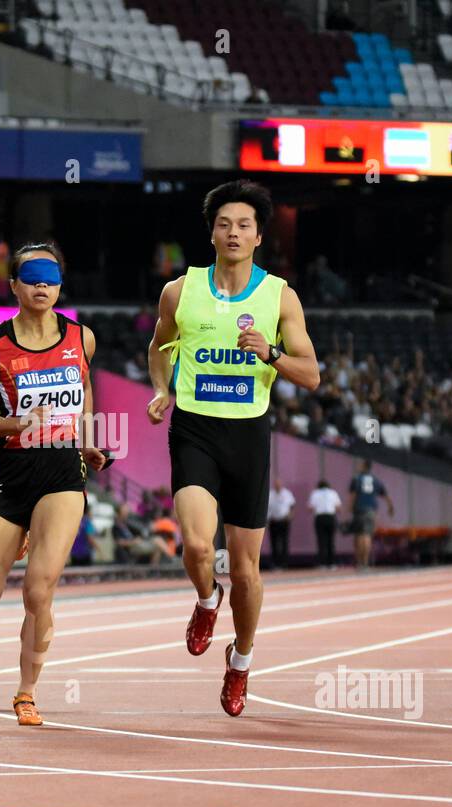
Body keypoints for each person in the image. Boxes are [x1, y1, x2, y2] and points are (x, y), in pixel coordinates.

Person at [146, 179, 320, 717]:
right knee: (198, 547)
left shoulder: (279, 295)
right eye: (224, 224)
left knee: (246, 571)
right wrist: (161, 389)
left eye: (244, 224)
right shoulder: (180, 290)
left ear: (259, 235)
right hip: (195, 428)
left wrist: (270, 352)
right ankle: (204, 600)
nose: (233, 232)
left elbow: (310, 373)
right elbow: (158, 346)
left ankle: (240, 661)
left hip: (248, 435)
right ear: (212, 233)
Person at [0, 241, 107, 727]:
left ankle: (26, 690)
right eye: (32, 276)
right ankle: (18, 533)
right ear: (15, 286)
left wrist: (88, 442)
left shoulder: (81, 338)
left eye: (50, 277)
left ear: (61, 285)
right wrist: (17, 424)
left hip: (62, 469)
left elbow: (83, 397)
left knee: (39, 590)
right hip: (11, 470)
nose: (42, 285)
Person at [348, 459, 394, 570]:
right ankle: (365, 562)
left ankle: (359, 563)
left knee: (359, 535)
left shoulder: (356, 479)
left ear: (364, 466)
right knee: (367, 535)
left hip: (359, 510)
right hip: (371, 511)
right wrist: (390, 507)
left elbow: (353, 495)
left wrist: (349, 507)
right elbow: (385, 495)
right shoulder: (376, 480)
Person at [308, 478, 342, 567]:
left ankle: (322, 563)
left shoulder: (315, 493)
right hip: (330, 517)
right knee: (331, 541)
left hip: (320, 518)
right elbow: (338, 508)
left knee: (321, 541)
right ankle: (331, 563)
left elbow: (310, 508)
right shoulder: (333, 493)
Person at [267, 478, 295, 569]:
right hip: (273, 521)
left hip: (284, 521)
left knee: (284, 542)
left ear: (281, 484)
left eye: (278, 483)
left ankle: (284, 563)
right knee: (274, 543)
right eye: (276, 484)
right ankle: (276, 564)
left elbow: (292, 506)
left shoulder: (287, 494)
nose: (277, 485)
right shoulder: (270, 494)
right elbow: (267, 508)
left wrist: (291, 516)